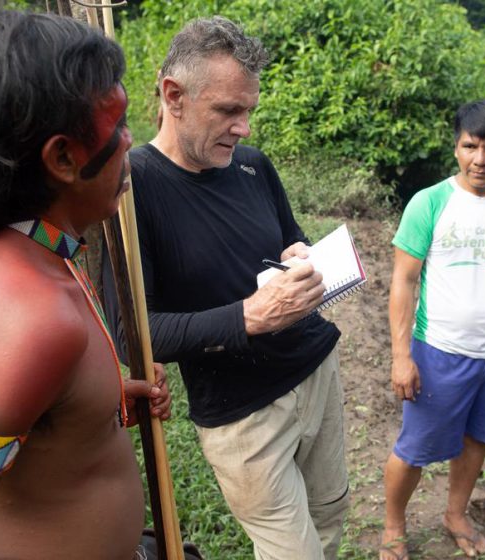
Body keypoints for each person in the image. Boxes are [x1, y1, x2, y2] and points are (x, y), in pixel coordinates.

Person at [0, 11, 173, 559]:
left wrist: (91, 406)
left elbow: (3, 424)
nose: (130, 142)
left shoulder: (24, 244)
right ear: (63, 158)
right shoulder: (29, 328)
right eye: (118, 129)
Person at [101, 15, 350, 560]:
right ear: (174, 96)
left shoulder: (253, 167)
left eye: (248, 111)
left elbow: (290, 238)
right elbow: (132, 335)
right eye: (228, 111)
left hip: (315, 372)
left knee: (330, 518)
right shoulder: (130, 188)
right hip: (244, 414)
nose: (244, 129)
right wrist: (249, 318)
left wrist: (299, 256)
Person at [380, 100, 485, 559]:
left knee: (476, 439)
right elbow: (404, 280)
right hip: (439, 351)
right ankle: (393, 525)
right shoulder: (430, 203)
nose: (480, 159)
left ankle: (456, 513)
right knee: (414, 448)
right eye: (469, 146)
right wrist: (402, 356)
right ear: (456, 147)